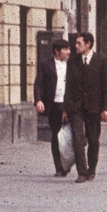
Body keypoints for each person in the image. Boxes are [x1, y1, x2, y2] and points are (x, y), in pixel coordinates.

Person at [65, 32, 107, 182]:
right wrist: (66, 109)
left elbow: (106, 86)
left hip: (94, 107)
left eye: (79, 43)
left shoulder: (101, 60)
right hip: (76, 107)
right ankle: (82, 172)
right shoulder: (72, 62)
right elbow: (68, 87)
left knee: (93, 140)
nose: (75, 46)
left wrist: (106, 108)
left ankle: (91, 169)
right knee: (77, 139)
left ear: (88, 44)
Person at [33, 37, 73, 176]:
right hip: (54, 104)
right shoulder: (46, 64)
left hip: (70, 105)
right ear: (57, 51)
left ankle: (70, 161)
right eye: (65, 49)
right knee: (56, 135)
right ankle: (59, 167)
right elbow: (39, 83)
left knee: (74, 135)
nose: (69, 52)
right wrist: (38, 100)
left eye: (69, 49)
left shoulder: (73, 64)